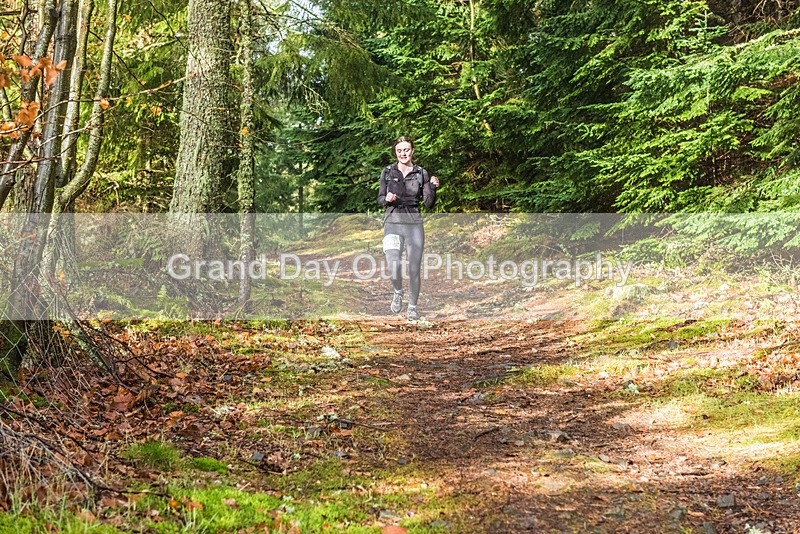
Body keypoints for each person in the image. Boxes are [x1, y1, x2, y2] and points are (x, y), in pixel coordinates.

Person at [377, 136, 439, 321]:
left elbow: (428, 203)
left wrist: (433, 187)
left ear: (412, 151)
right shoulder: (387, 172)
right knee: (393, 263)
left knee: (413, 268)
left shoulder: (421, 173)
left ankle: (412, 307)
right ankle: (398, 291)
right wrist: (386, 198)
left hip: (414, 224)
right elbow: (380, 199)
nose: (403, 153)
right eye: (399, 150)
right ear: (395, 152)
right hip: (393, 222)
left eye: (406, 150)